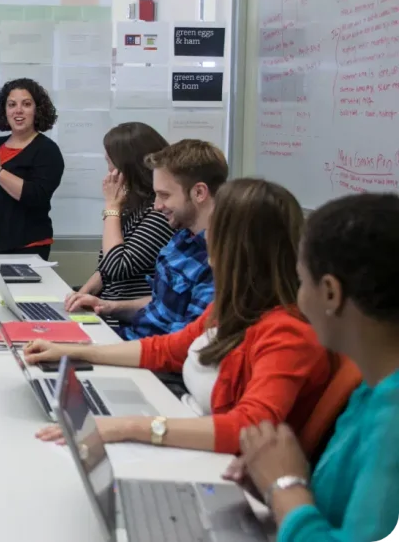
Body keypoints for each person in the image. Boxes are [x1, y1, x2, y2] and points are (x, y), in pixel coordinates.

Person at [26, 178, 331, 455]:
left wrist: (127, 427)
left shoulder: (287, 333)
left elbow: (248, 428)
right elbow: (166, 350)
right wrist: (71, 352)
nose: (206, 238)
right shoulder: (234, 305)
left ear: (240, 245)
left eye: (216, 229)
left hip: (207, 456)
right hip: (180, 426)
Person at [224, 193, 399, 542]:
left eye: (303, 282)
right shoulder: (372, 390)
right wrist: (273, 479)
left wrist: (284, 487)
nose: (299, 297)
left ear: (331, 293)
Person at [67, 139, 228, 340]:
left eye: (164, 195)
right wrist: (109, 307)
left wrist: (92, 352)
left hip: (155, 361)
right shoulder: (182, 238)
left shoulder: (220, 258)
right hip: (133, 339)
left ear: (199, 192)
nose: (157, 206)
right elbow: (160, 305)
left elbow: (183, 347)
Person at [65, 123, 175, 305]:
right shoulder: (134, 205)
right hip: (108, 306)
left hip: (127, 316)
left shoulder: (160, 212)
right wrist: (80, 295)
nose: (109, 171)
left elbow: (117, 267)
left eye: (110, 162)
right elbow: (105, 268)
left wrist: (112, 208)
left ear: (128, 166)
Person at [0, 78, 64, 260]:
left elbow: (36, 196)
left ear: (37, 109)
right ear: (4, 111)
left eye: (27, 104)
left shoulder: (47, 150)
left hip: (26, 248)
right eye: (12, 104)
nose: (18, 110)